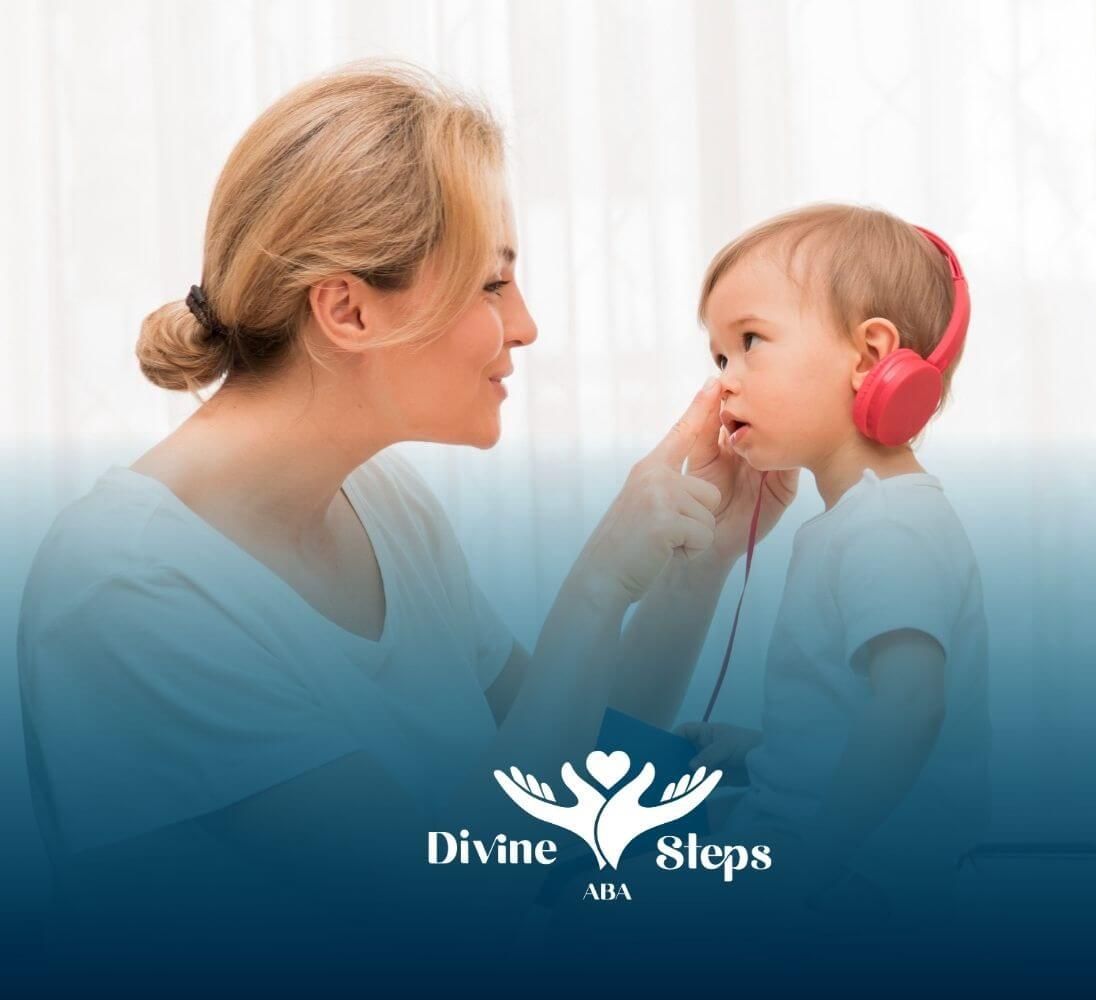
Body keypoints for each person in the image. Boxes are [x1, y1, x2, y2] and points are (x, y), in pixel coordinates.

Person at [15, 63, 795, 970]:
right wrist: (593, 585)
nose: (528, 325)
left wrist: (692, 554)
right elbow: (452, 918)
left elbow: (567, 785)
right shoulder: (124, 593)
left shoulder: (385, 509)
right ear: (347, 309)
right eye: (491, 285)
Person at [676, 203, 991, 921]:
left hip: (862, 888)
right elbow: (861, 717)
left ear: (871, 358)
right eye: (719, 356)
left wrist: (811, 864)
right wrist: (764, 750)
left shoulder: (888, 527)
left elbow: (912, 707)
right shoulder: (862, 519)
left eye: (751, 341)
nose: (723, 380)